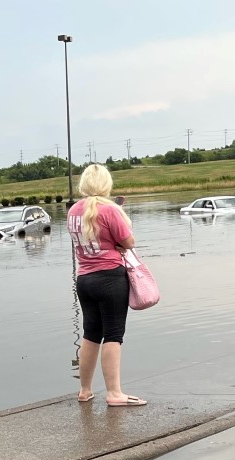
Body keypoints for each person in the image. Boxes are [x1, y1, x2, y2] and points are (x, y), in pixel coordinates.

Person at [67, 163, 146, 407]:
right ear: (106, 184)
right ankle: (114, 393)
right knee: (113, 334)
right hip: (110, 278)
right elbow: (128, 241)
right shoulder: (109, 210)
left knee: (91, 334)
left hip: (84, 279)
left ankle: (85, 390)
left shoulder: (73, 211)